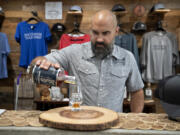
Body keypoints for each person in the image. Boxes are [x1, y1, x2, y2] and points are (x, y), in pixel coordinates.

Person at [32, 10, 144, 112]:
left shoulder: (127, 58)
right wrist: (41, 63)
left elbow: (137, 92)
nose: (99, 39)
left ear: (116, 31)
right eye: (95, 33)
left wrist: (135, 119)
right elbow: (39, 60)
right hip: (79, 125)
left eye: (105, 33)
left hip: (112, 127)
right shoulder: (74, 52)